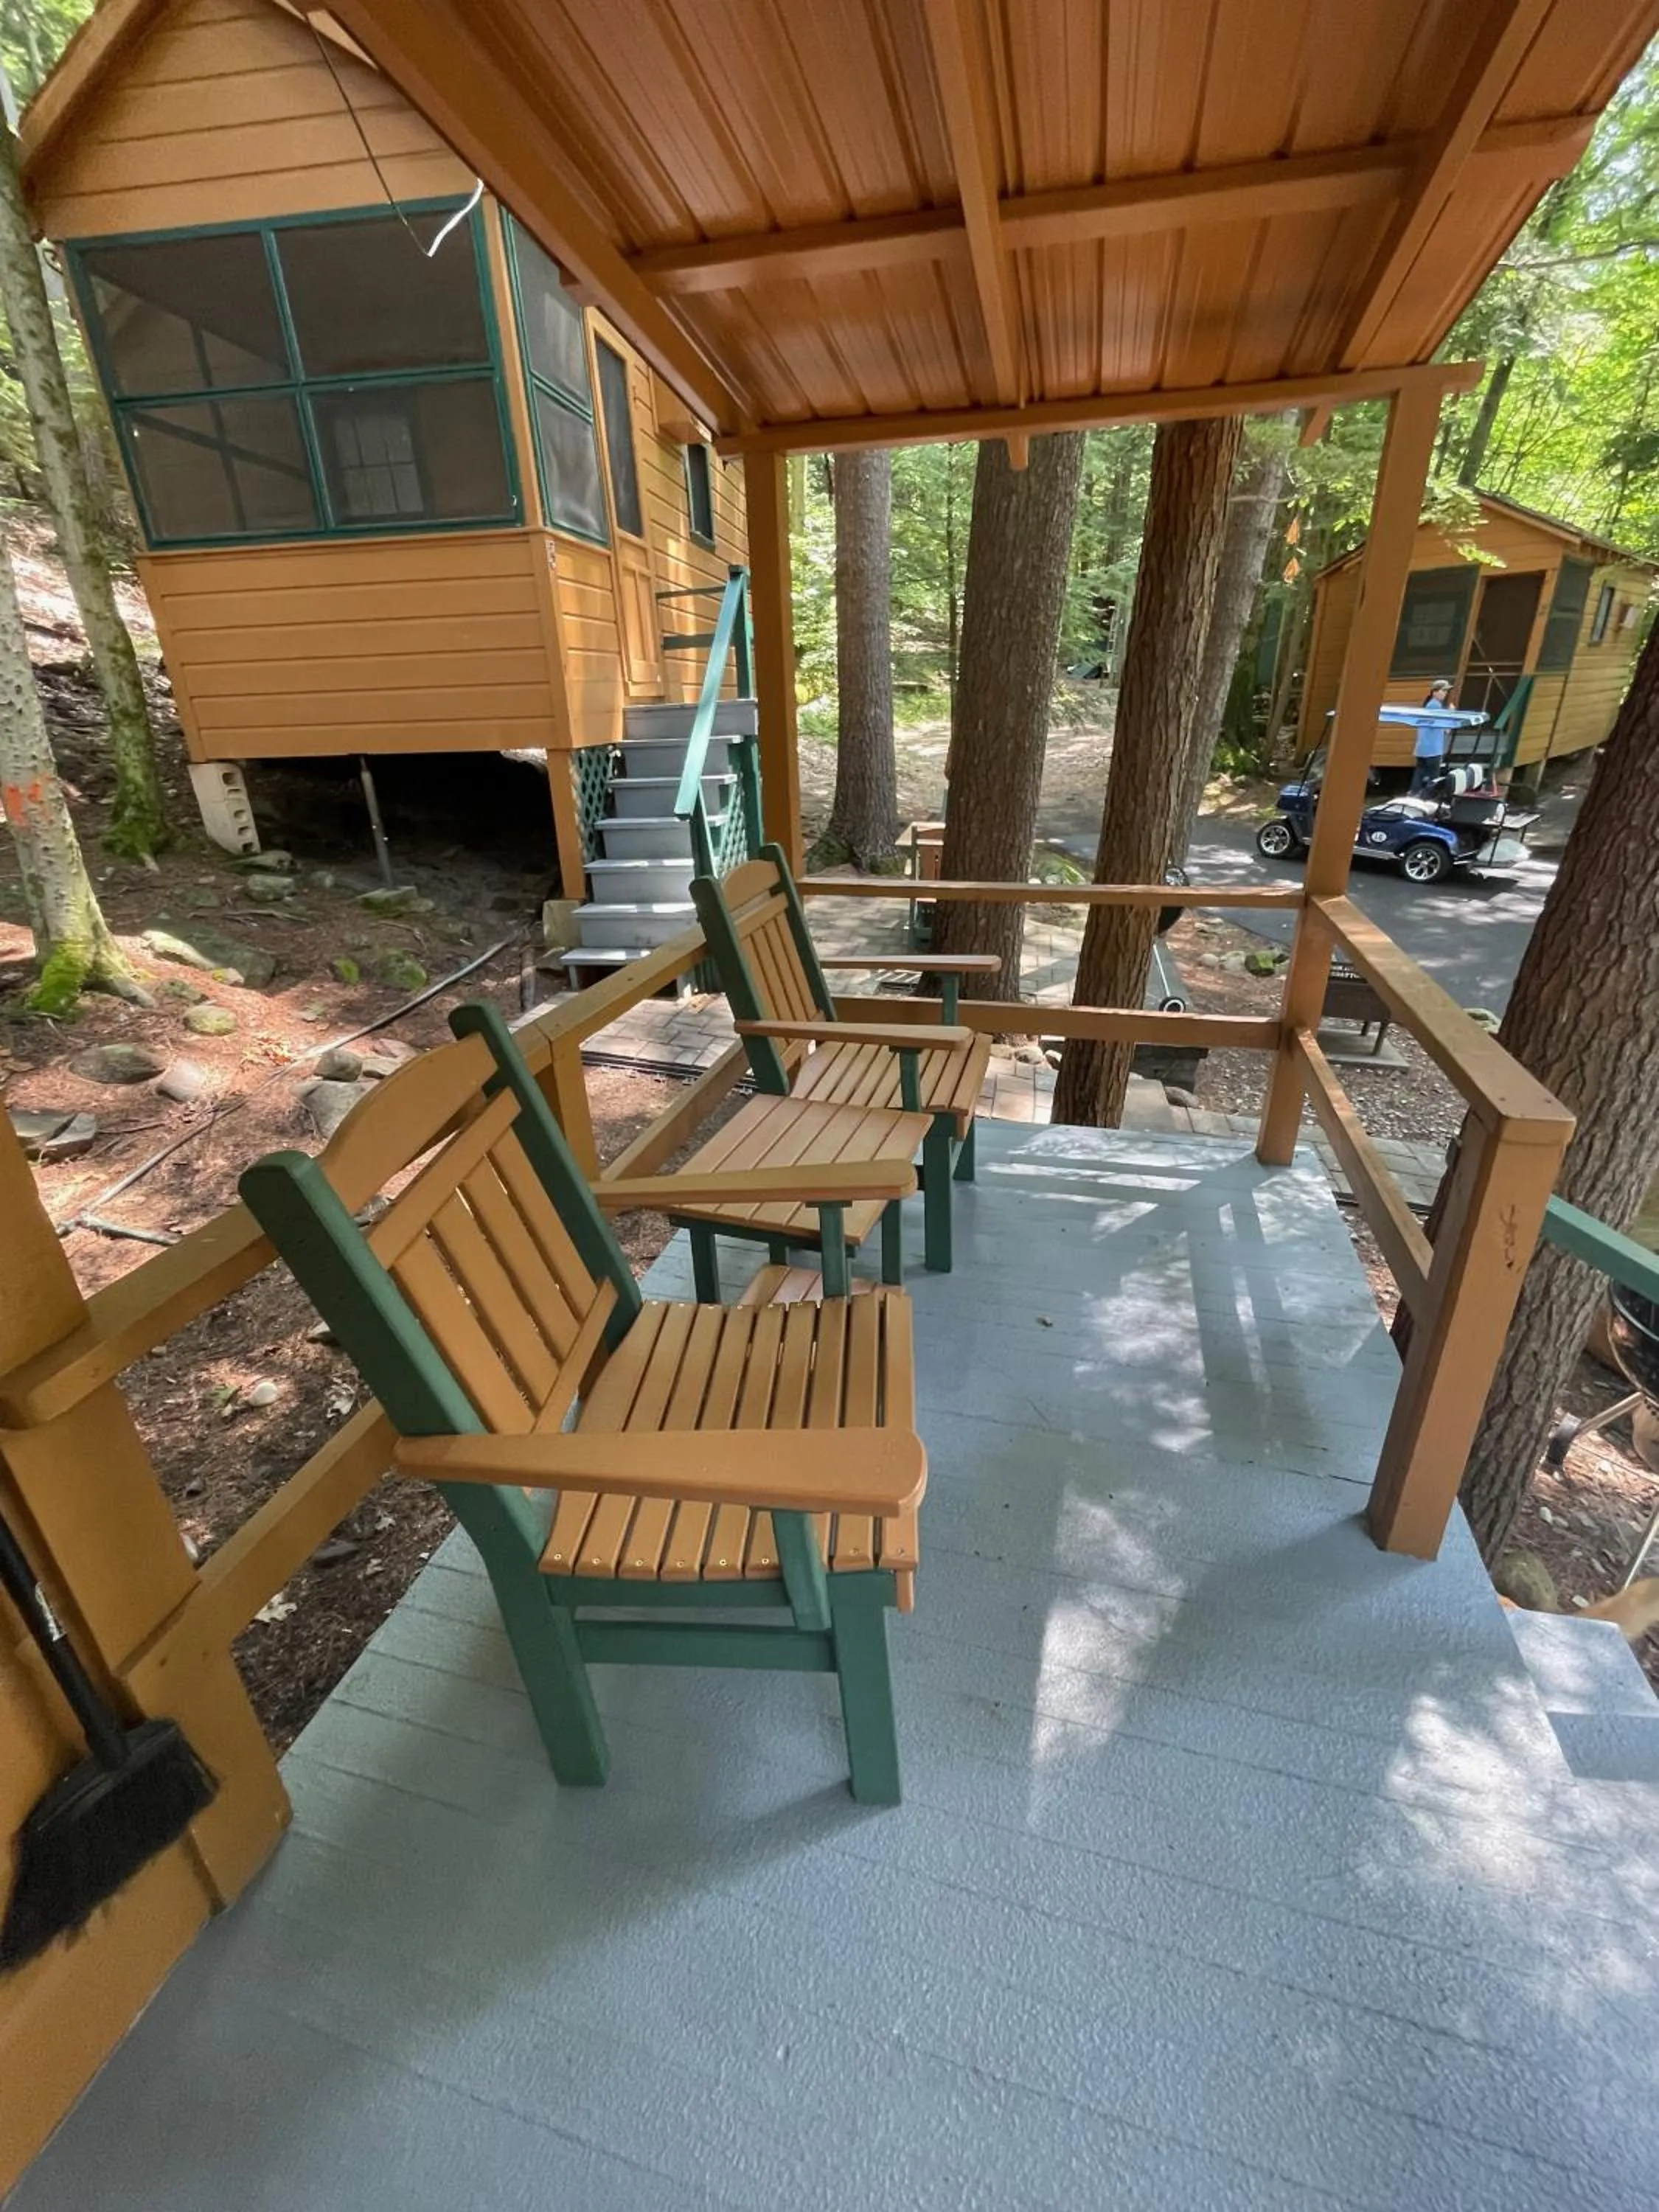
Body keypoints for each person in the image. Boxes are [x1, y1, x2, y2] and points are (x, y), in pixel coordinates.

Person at [1410, 680, 1454, 794]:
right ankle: (1429, 798)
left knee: (1419, 775)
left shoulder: (1428, 705)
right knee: (1434, 778)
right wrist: (1451, 713)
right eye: (1443, 691)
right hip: (1433, 750)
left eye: (1446, 691)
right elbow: (1447, 729)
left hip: (1421, 749)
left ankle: (1414, 795)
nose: (1445, 693)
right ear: (1434, 692)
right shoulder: (1436, 706)